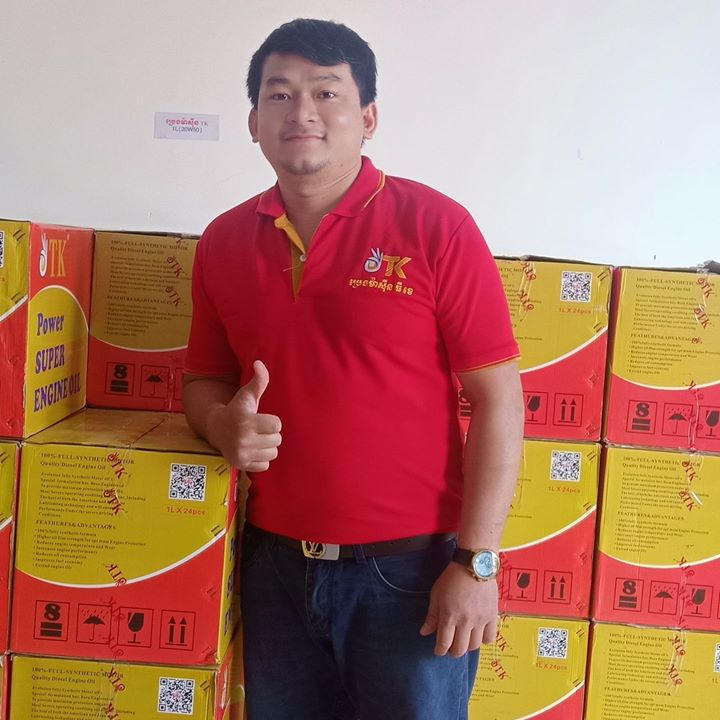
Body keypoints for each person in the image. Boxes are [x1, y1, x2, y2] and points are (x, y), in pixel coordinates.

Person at [184, 18, 523, 720]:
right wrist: (220, 426)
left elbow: (499, 401)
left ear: (367, 117)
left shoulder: (436, 227)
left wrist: (477, 562)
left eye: (326, 92)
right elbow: (202, 383)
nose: (301, 112)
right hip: (274, 569)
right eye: (279, 95)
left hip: (412, 574)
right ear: (253, 122)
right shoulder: (222, 242)